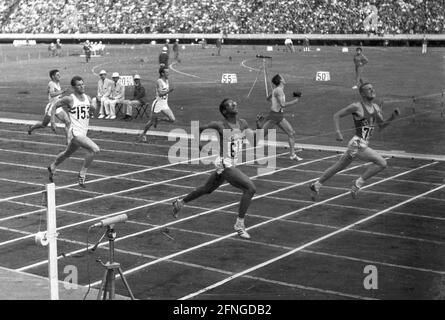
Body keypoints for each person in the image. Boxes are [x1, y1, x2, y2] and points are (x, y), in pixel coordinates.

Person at [172, 98, 257, 239]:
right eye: (231, 104)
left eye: (234, 102)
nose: (235, 104)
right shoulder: (219, 125)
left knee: (207, 189)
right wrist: (199, 145)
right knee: (250, 189)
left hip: (230, 163)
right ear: (224, 111)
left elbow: (254, 140)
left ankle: (180, 203)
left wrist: (259, 127)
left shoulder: (242, 123)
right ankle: (239, 224)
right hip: (225, 164)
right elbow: (198, 129)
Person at [310, 82, 399, 200]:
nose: (372, 90)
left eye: (372, 88)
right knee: (382, 163)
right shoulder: (357, 106)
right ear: (362, 93)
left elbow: (381, 126)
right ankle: (357, 184)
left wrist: (392, 117)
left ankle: (316, 185)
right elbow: (336, 115)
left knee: (337, 167)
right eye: (368, 89)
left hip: (361, 143)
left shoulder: (376, 107)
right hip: (357, 143)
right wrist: (338, 131)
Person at [47, 76, 100, 188]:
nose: (82, 86)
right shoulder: (70, 99)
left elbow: (91, 110)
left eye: (83, 84)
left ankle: (53, 166)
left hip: (83, 132)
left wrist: (95, 105)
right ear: (74, 87)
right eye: (79, 85)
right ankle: (82, 174)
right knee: (94, 149)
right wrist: (52, 121)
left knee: (67, 153)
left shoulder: (88, 98)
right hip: (75, 133)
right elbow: (55, 105)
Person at [256, 74, 303, 161]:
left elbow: (268, 98)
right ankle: (256, 126)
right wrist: (295, 101)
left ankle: (292, 154)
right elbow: (283, 104)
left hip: (277, 115)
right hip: (275, 116)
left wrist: (274, 103)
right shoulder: (279, 91)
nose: (284, 79)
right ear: (281, 80)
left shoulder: (276, 90)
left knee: (291, 133)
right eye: (282, 78)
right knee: (258, 137)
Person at [28, 69, 70, 142]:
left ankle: (68, 141)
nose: (59, 75)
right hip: (51, 107)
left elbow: (50, 92)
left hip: (58, 107)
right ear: (53, 76)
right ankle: (31, 128)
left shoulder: (57, 83)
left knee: (68, 122)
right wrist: (62, 91)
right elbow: (52, 94)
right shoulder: (51, 83)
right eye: (57, 75)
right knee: (43, 125)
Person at [138, 67, 175, 142]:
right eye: (167, 72)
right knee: (151, 121)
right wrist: (169, 92)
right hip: (158, 104)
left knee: (172, 119)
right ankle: (143, 134)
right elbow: (160, 94)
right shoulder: (159, 81)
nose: (168, 74)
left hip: (164, 104)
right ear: (162, 73)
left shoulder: (167, 81)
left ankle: (158, 120)